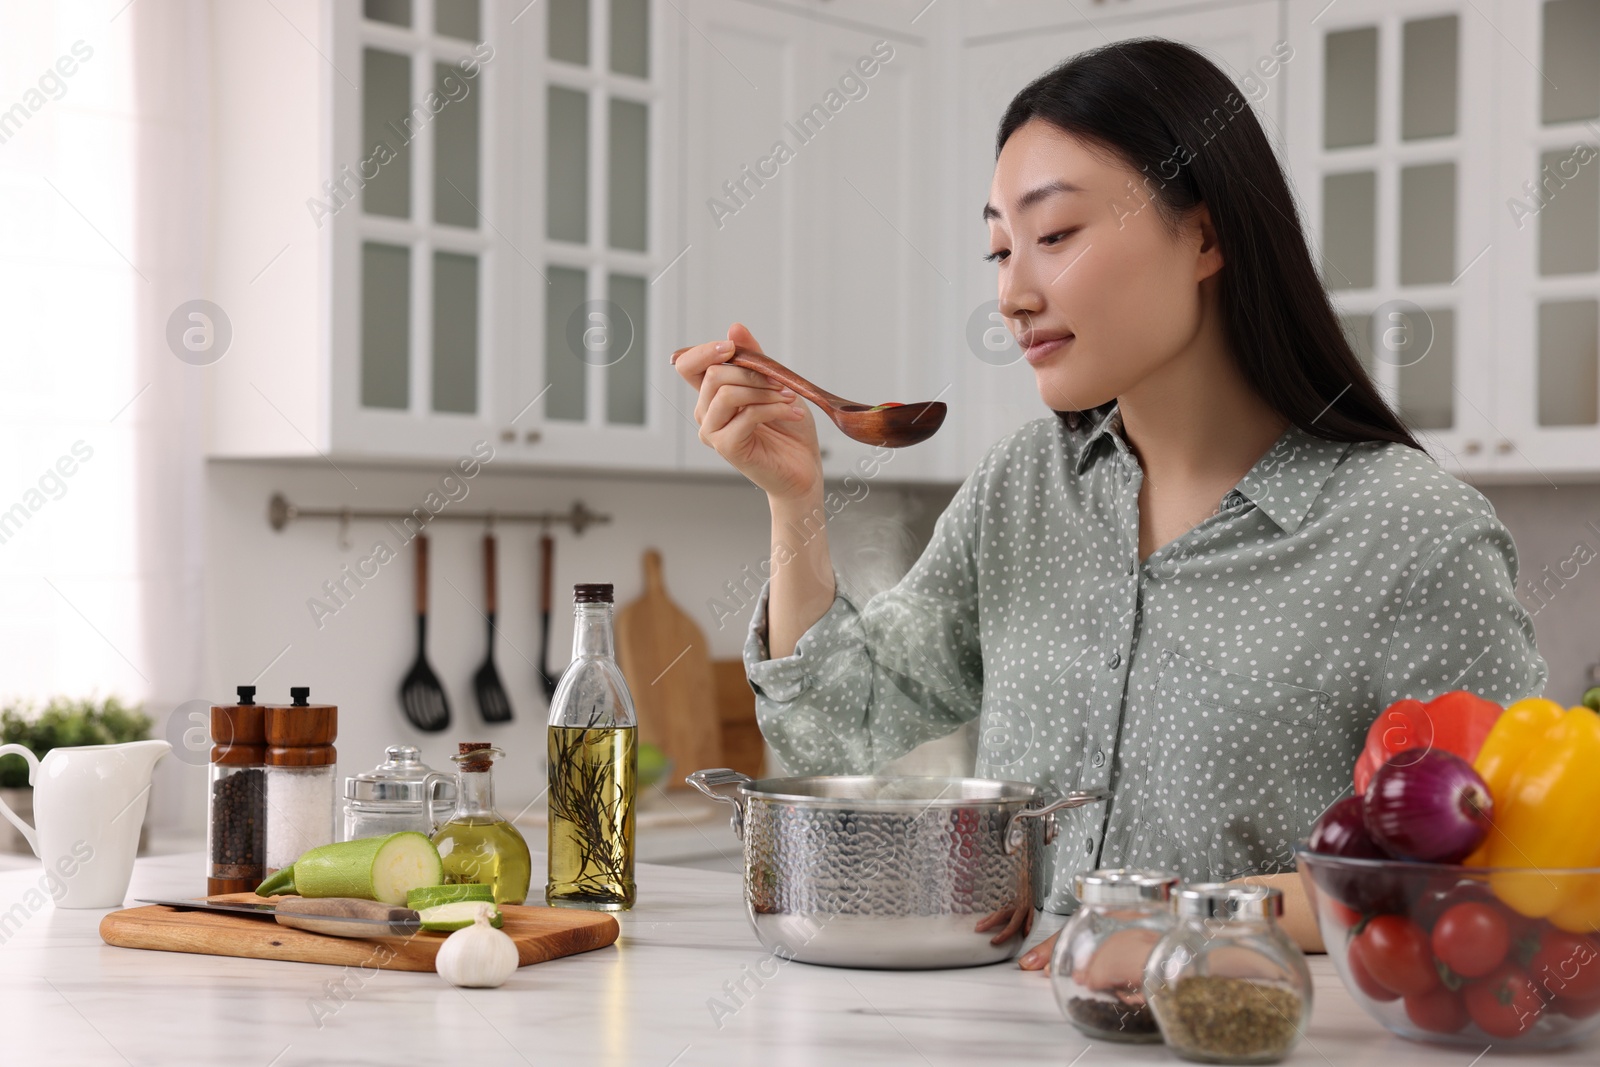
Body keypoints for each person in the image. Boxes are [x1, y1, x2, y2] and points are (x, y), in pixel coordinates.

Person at [671, 38, 1545, 968]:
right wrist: (794, 500)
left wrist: (1187, 919)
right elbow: (838, 726)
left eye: (1053, 236)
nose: (1012, 293)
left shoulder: (1409, 531)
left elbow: (1513, 869)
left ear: (1206, 236)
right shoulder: (1023, 488)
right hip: (1020, 1033)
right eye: (1000, 248)